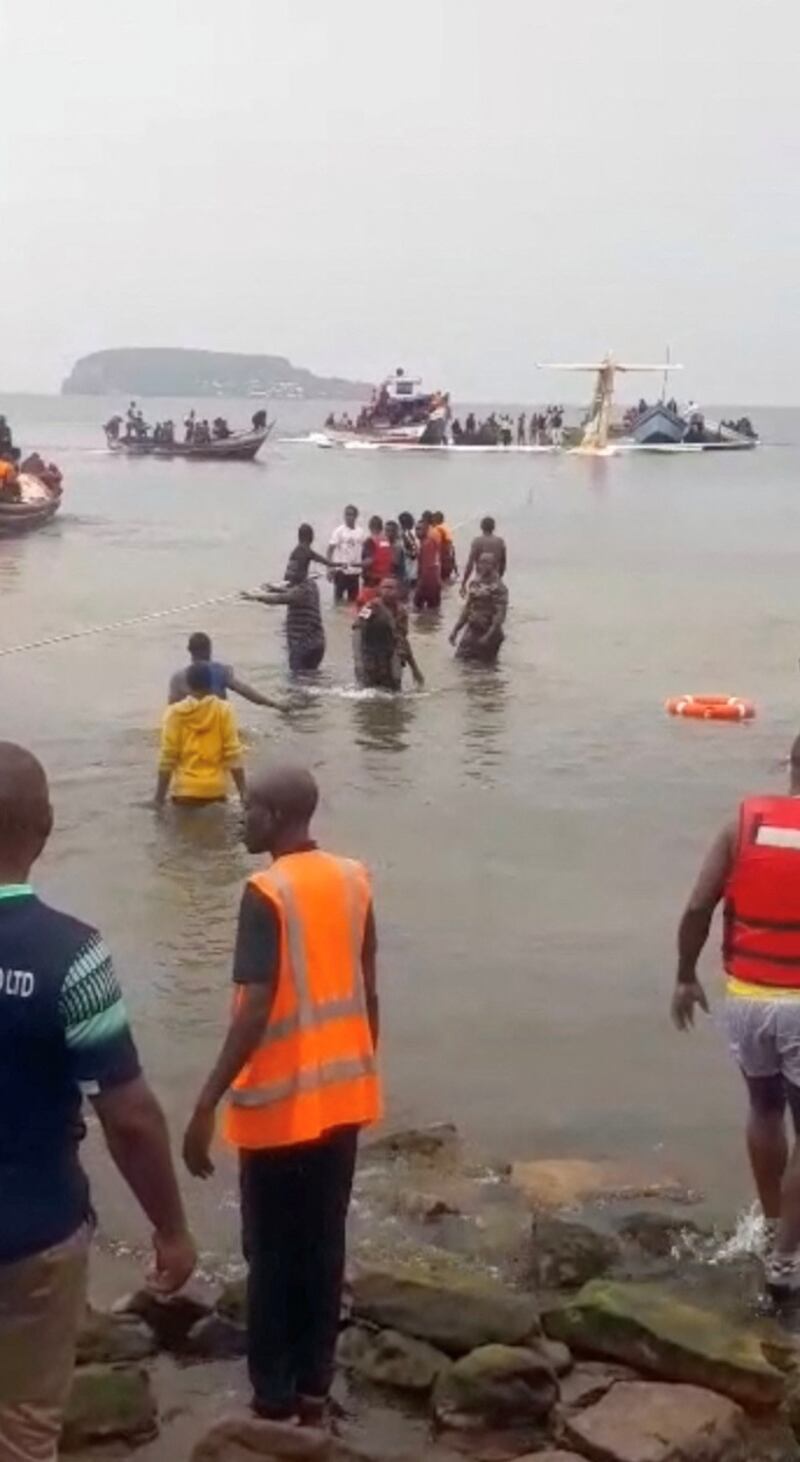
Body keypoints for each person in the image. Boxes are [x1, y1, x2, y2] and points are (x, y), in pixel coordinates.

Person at [0, 743, 195, 1460]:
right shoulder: (72, 956)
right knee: (21, 1423)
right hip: (34, 1234)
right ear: (46, 830)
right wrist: (171, 1228)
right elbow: (130, 1117)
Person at [182, 764, 382, 1425]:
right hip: (343, 1100)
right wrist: (362, 1067)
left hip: (279, 1109)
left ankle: (272, 1399)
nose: (243, 818)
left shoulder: (264, 891)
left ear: (274, 816)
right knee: (324, 1247)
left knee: (269, 1254)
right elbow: (367, 984)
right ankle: (314, 1390)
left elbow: (257, 1006)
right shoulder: (354, 878)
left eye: (250, 808)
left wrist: (206, 1101)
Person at [672, 736, 800, 1303]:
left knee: (764, 1109)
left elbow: (699, 907)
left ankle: (772, 1225)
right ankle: (787, 1258)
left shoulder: (742, 824)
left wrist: (684, 975)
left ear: (790, 767)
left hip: (746, 996)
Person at [156, 662, 246, 807]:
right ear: (210, 683)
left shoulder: (174, 713)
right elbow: (233, 753)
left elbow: (168, 756)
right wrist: (243, 794)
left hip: (184, 793)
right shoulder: (224, 710)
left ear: (187, 685)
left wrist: (158, 799)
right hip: (216, 792)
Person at [243, 555, 326, 675]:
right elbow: (289, 592)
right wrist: (272, 588)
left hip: (304, 645)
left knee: (298, 681)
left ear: (302, 571)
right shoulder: (310, 584)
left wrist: (254, 597)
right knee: (309, 678)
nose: (287, 573)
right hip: (316, 644)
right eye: (288, 569)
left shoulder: (301, 591)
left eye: (292, 570)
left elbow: (280, 599)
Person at [168, 632, 286, 710]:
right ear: (210, 649)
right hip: (218, 723)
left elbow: (171, 709)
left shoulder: (177, 678)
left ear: (189, 650)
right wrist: (275, 704)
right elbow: (245, 691)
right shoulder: (221, 671)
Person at [353, 578, 424, 691]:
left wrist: (414, 668)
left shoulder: (401, 612)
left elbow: (402, 640)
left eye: (391, 588)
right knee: (367, 694)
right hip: (371, 657)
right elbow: (357, 628)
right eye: (384, 587)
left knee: (394, 693)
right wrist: (358, 661)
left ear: (398, 591)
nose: (387, 591)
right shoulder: (371, 607)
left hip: (391, 657)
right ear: (379, 591)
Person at [449, 552, 508, 663]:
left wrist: (488, 636)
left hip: (490, 633)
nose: (482, 565)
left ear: (494, 565)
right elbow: (467, 609)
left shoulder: (499, 588)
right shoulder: (475, 583)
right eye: (481, 562)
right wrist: (455, 631)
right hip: (473, 630)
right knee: (459, 662)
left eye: (487, 563)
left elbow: (499, 616)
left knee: (486, 670)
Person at [327, 505, 365, 604]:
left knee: (354, 603)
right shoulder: (339, 531)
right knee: (338, 601)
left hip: (355, 573)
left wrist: (364, 569)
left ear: (356, 516)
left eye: (351, 514)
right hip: (341, 572)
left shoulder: (360, 532)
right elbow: (330, 550)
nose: (348, 517)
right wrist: (330, 568)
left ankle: (348, 619)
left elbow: (364, 551)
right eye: (346, 514)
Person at [461, 516, 507, 594]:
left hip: (479, 581)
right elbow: (503, 564)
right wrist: (499, 578)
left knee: (471, 603)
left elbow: (470, 565)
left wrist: (464, 583)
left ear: (481, 527)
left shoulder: (477, 541)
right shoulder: (500, 542)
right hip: (495, 581)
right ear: (493, 527)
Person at [414, 517, 442, 610]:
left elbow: (427, 567)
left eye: (419, 529)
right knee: (433, 610)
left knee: (417, 608)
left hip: (428, 582)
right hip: (434, 581)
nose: (417, 532)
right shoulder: (426, 542)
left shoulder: (427, 543)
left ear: (426, 530)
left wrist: (420, 584)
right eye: (416, 529)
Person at [361, 516, 393, 592]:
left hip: (371, 580)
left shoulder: (369, 541)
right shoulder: (386, 541)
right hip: (385, 580)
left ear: (369, 526)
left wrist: (353, 565)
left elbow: (368, 562)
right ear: (381, 527)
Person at [431, 511, 457, 583]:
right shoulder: (446, 527)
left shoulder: (438, 529)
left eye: (433, 519)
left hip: (443, 557)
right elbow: (450, 545)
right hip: (447, 557)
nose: (432, 520)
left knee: (441, 579)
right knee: (446, 578)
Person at [398, 512, 418, 589]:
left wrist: (405, 552)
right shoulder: (416, 532)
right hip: (415, 571)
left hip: (409, 572)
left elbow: (413, 554)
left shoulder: (407, 535)